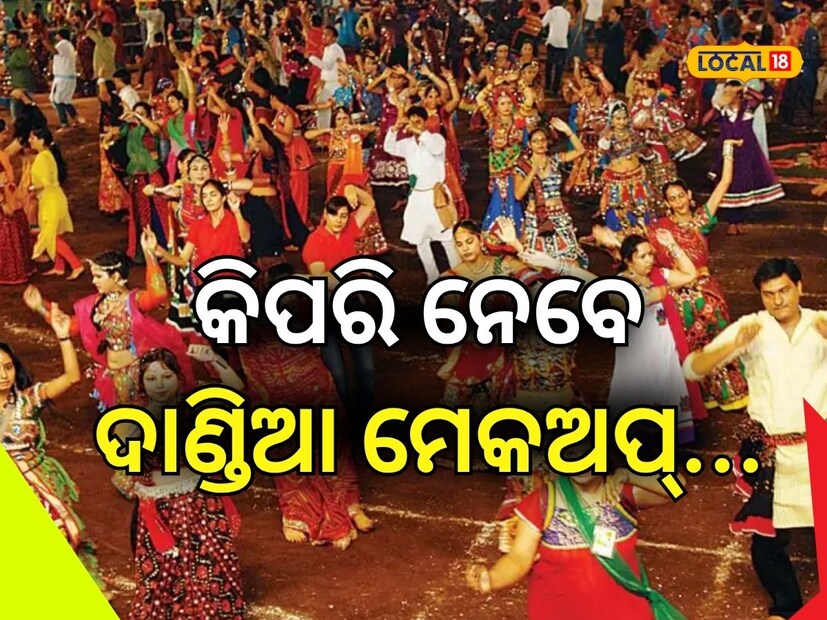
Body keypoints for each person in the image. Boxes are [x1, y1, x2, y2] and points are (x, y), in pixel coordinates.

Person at [683, 258, 827, 620]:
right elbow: (692, 369)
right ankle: (786, 606)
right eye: (768, 294)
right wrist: (730, 347)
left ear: (800, 288)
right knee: (767, 541)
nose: (778, 300)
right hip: (773, 451)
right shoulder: (752, 327)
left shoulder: (821, 324)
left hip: (819, 445)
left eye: (784, 291)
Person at [465, 441, 686, 620]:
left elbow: (677, 487)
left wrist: (630, 474)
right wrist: (492, 578)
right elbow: (519, 558)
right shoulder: (543, 502)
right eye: (571, 453)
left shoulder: (621, 494)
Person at [127, 347, 246, 618]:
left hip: (200, 503)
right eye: (151, 379)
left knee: (211, 570)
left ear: (179, 378)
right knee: (163, 581)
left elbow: (237, 391)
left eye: (166, 377)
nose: (160, 385)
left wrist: (213, 360)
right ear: (142, 384)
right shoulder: (136, 419)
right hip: (161, 512)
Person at [1, 320, 106, 594]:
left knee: (65, 536)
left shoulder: (28, 400)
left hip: (38, 485)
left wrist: (63, 338)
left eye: (8, 367)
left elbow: (71, 378)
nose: (3, 374)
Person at [611, 231, 705, 444]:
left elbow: (690, 274)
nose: (649, 260)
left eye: (651, 255)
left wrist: (672, 245)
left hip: (664, 345)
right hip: (638, 351)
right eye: (642, 256)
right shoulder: (621, 283)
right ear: (628, 260)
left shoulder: (658, 275)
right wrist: (653, 295)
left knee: (668, 385)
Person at [302, 187, 376, 425]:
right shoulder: (314, 241)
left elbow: (368, 204)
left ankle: (365, 418)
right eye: (334, 215)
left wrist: (353, 189)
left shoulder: (349, 229)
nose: (339, 220)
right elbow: (320, 278)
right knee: (337, 373)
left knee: (367, 367)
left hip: (351, 303)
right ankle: (346, 420)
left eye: (344, 216)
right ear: (326, 214)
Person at [383, 105, 461, 284]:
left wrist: (420, 131)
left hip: (436, 196)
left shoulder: (436, 139)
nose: (415, 124)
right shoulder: (407, 144)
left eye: (419, 121)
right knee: (421, 241)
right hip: (417, 198)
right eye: (412, 121)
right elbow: (389, 147)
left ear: (426, 122)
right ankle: (432, 278)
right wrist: (394, 129)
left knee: (447, 239)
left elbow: (435, 149)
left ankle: (460, 275)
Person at [28, 127, 83, 280]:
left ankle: (76, 265)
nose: (30, 141)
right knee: (54, 234)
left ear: (41, 140)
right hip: (53, 199)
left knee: (51, 236)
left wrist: (31, 188)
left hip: (50, 200)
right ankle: (59, 266)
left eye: (33, 138)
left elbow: (44, 183)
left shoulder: (42, 157)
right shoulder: (47, 155)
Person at [309, 26, 347, 129]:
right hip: (327, 84)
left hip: (335, 85)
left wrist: (311, 58)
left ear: (334, 38)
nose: (324, 37)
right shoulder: (328, 48)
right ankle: (322, 133)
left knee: (332, 112)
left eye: (327, 35)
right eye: (323, 34)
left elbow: (327, 66)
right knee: (322, 112)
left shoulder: (335, 48)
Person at [542, 0, 570, 97]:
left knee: (549, 65)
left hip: (552, 42)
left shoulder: (551, 12)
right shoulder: (567, 14)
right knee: (559, 68)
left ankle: (547, 86)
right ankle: (555, 88)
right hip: (563, 43)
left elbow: (543, 23)